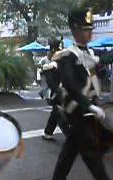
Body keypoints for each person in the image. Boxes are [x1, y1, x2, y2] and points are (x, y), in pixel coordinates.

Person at [51, 8, 113, 180]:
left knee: (70, 151)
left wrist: (101, 62)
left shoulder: (91, 54)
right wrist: (89, 106)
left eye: (90, 30)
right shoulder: (66, 56)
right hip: (77, 111)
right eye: (85, 30)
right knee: (92, 156)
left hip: (90, 112)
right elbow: (70, 85)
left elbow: (106, 59)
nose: (89, 34)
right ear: (74, 29)